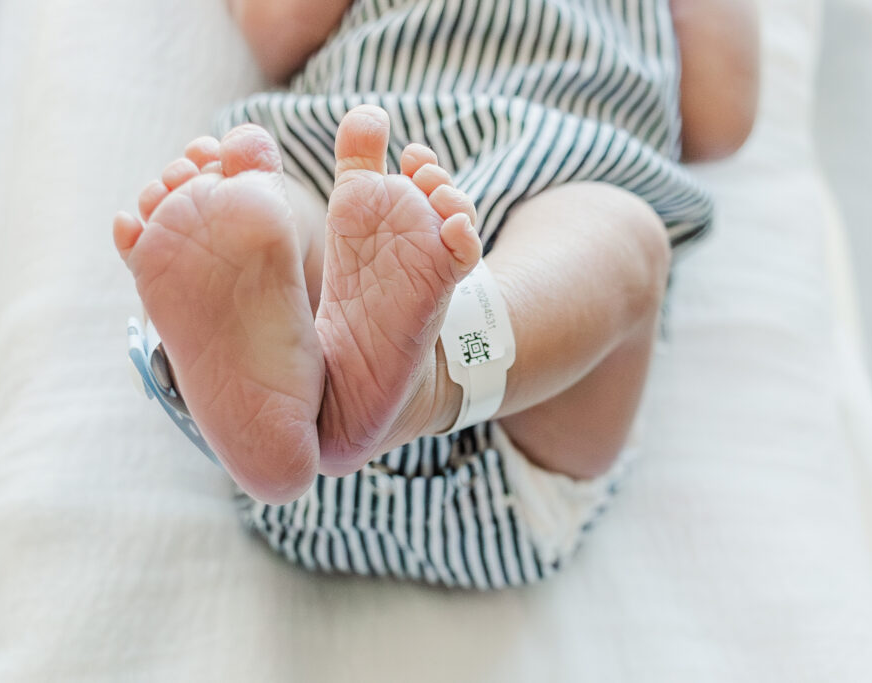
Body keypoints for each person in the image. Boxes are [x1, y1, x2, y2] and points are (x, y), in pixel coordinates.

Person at [113, 0, 758, 588]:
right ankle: (272, 329)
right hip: (352, 211)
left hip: (530, 384)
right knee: (284, 208)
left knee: (619, 234)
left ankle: (427, 382)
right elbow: (279, 25)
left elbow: (719, 114)